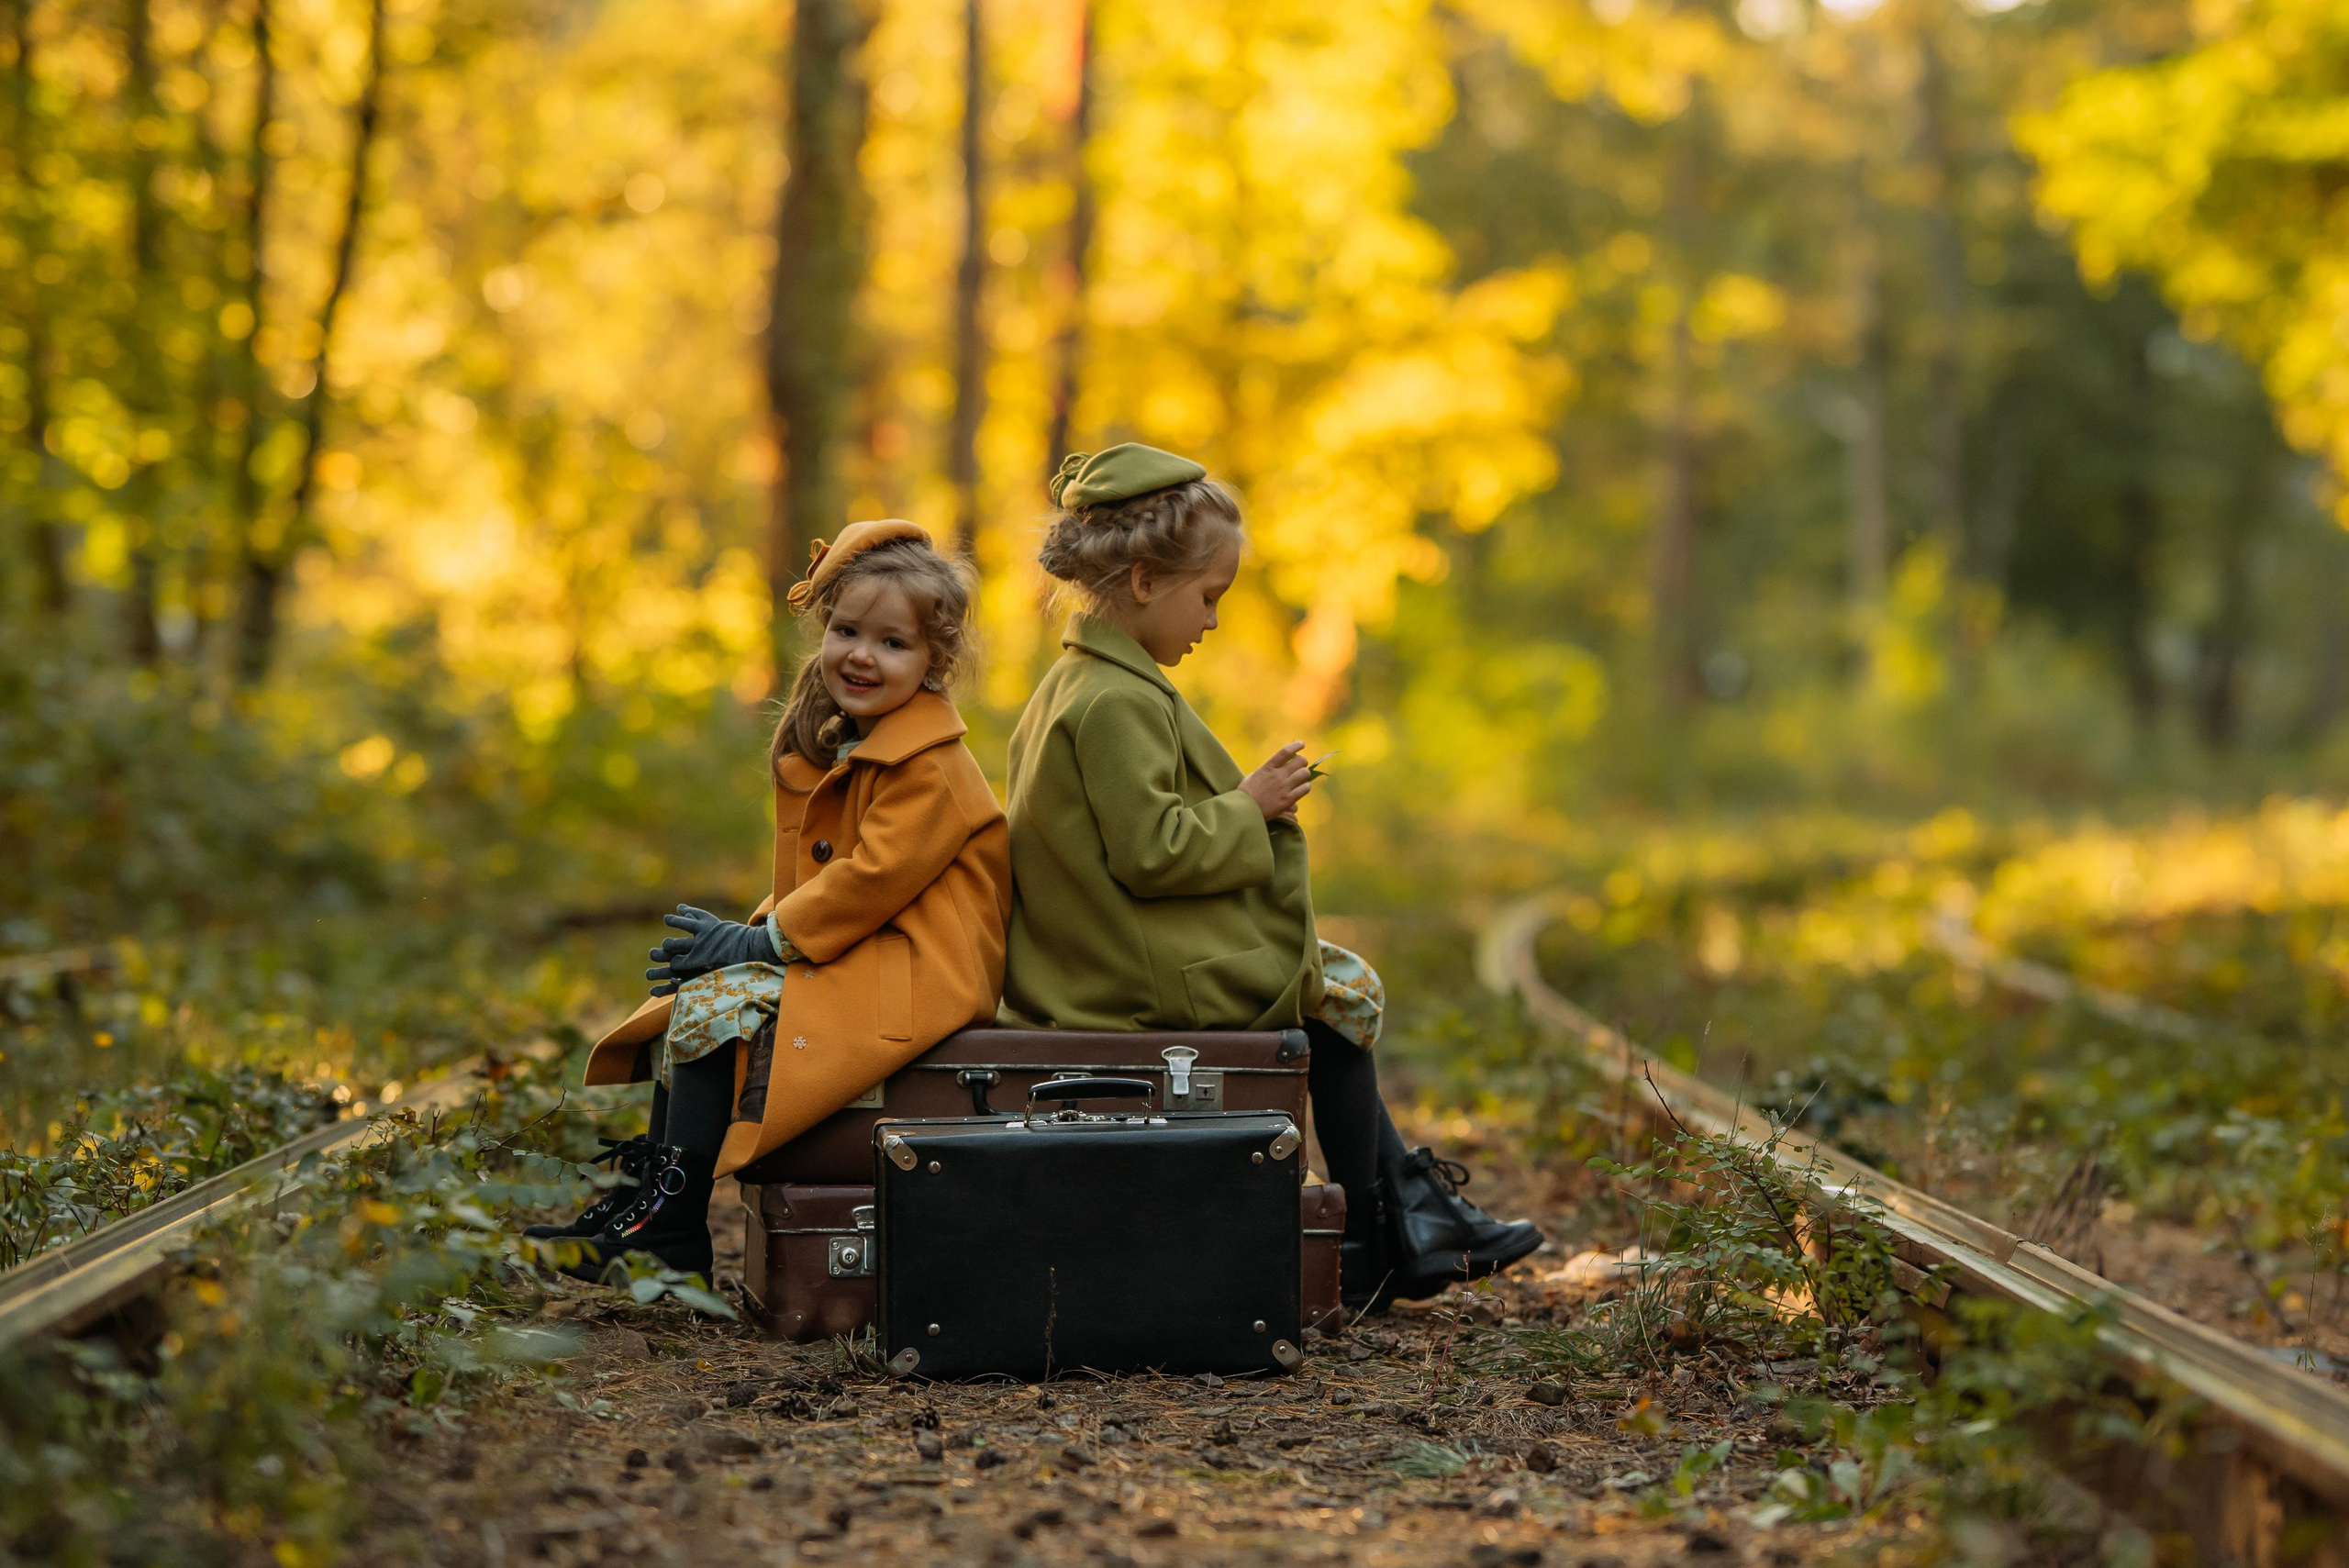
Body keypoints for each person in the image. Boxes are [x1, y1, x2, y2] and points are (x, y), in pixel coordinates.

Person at [999, 443, 1542, 1310]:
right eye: (1207, 597)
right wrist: (1250, 805)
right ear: (1144, 582)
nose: (1211, 620)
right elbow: (1153, 853)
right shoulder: (1113, 701)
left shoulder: (1084, 682)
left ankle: (1400, 1219)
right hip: (1115, 973)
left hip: (1105, 947)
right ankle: (1381, 1229)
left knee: (1334, 984)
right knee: (1340, 989)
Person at [530, 520, 1011, 1280]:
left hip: (922, 971)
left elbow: (872, 880)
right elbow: (832, 884)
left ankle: (672, 1220)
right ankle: (650, 1201)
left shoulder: (932, 766)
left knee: (719, 1005)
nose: (861, 653)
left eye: (893, 643)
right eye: (848, 629)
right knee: (704, 997)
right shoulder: (861, 741)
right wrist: (743, 938)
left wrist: (759, 944)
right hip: (872, 946)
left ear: (934, 661)